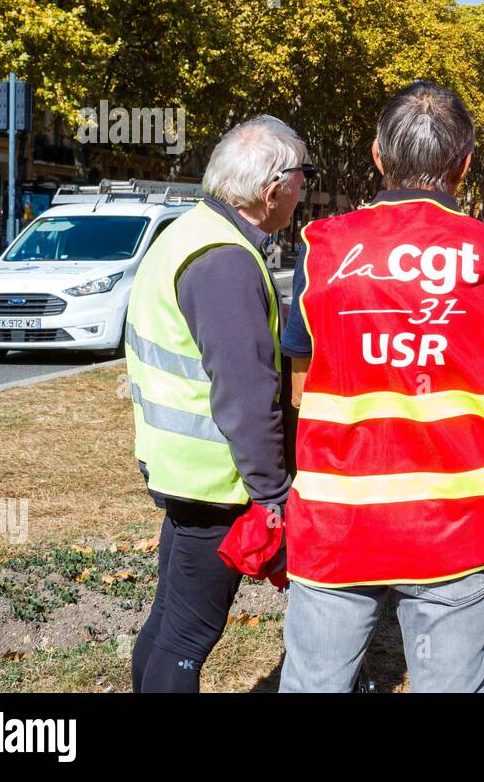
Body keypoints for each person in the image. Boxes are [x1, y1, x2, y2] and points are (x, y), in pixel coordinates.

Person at [278, 81, 484, 693]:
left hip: (339, 518)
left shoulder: (322, 249)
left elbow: (296, 390)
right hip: (459, 522)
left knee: (314, 683)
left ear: (375, 155)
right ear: (466, 165)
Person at [125, 115, 306, 692]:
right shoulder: (227, 258)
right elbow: (246, 393)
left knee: (169, 623)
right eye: (303, 176)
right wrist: (273, 492)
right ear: (273, 189)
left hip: (183, 469)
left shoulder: (190, 231)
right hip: (214, 479)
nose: (304, 188)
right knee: (188, 638)